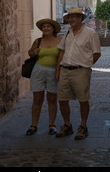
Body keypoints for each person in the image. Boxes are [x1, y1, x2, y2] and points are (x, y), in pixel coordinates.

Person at [55, 7, 101, 140]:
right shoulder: (68, 33)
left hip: (81, 71)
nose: (71, 19)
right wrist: (58, 69)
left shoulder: (90, 33)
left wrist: (86, 64)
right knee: (62, 99)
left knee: (83, 99)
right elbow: (62, 51)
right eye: (69, 17)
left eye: (74, 16)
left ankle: (83, 126)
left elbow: (97, 53)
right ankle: (67, 125)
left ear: (81, 18)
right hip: (65, 70)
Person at [26, 18, 62, 136]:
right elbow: (30, 53)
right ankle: (33, 125)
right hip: (38, 71)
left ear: (53, 29)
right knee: (37, 99)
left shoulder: (59, 40)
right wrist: (33, 52)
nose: (46, 28)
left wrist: (58, 71)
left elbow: (63, 55)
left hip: (53, 71)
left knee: (52, 99)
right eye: (44, 26)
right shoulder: (38, 41)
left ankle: (52, 125)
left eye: (48, 26)